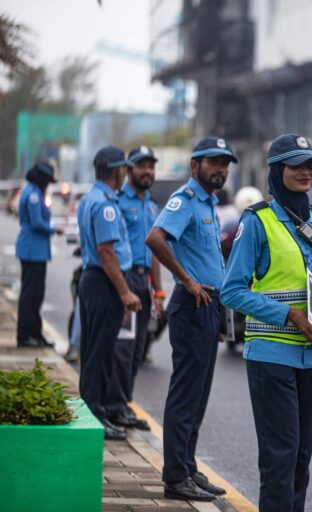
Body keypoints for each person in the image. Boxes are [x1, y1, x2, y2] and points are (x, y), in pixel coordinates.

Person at [221, 134, 312, 512]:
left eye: (310, 166)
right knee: (279, 460)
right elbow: (231, 292)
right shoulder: (257, 222)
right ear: (277, 170)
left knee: (301, 461)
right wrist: (289, 314)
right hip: (271, 356)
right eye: (296, 165)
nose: (305, 173)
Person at [145, 136, 234, 502]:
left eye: (225, 163)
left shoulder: (210, 203)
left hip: (209, 304)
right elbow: (155, 238)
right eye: (213, 162)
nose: (220, 169)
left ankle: (188, 467)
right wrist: (185, 279)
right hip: (192, 303)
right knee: (185, 395)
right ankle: (175, 476)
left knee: (198, 396)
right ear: (195, 164)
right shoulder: (185, 199)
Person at [76, 146, 142, 441]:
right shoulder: (105, 204)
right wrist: (125, 292)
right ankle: (96, 414)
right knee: (100, 354)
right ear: (117, 171)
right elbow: (106, 252)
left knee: (94, 351)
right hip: (104, 283)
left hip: (94, 281)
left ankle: (93, 412)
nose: (126, 174)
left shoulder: (91, 197)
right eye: (124, 169)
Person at [105, 146, 164, 431]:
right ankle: (114, 406)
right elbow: (112, 246)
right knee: (123, 348)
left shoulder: (152, 206)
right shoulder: (118, 201)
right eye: (141, 166)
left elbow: (155, 253)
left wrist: (159, 291)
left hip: (145, 283)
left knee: (138, 348)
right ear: (128, 169)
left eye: (151, 166)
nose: (147, 171)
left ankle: (125, 403)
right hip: (126, 280)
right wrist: (121, 288)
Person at [15, 160, 63, 348]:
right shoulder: (33, 194)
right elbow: (36, 222)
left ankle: (35, 333)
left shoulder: (34, 191)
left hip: (37, 250)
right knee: (30, 295)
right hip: (31, 250)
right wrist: (54, 230)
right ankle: (25, 335)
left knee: (37, 294)